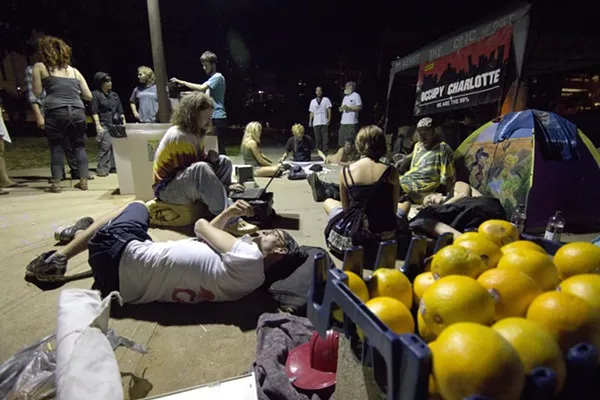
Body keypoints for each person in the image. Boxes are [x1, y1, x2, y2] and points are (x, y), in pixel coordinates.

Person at [25, 199, 300, 304]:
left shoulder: (249, 256)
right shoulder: (250, 280)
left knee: (137, 205)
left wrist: (222, 217)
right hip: (117, 285)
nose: (261, 232)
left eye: (269, 234)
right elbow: (204, 240)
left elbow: (201, 226)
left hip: (115, 251)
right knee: (136, 231)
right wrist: (228, 213)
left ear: (280, 249)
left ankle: (60, 257)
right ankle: (83, 231)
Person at [152, 92, 255, 236]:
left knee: (224, 161)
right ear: (192, 115)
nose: (209, 122)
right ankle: (228, 219)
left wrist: (210, 158)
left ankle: (220, 201)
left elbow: (195, 165)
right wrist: (213, 171)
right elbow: (192, 170)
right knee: (202, 168)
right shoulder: (178, 135)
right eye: (206, 118)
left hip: (184, 180)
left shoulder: (194, 134)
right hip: (167, 189)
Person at [322, 125, 405, 262]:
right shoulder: (391, 171)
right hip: (385, 232)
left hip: (357, 232)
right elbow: (393, 209)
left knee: (328, 203)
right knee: (404, 206)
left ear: (359, 145)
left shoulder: (346, 171)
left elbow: (346, 209)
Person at [32, 35, 93, 193]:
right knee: (79, 145)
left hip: (55, 111)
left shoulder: (40, 67)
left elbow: (37, 92)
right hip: (77, 111)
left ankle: (57, 183)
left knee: (56, 147)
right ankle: (84, 181)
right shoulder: (74, 71)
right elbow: (88, 96)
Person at [170, 51, 227, 154]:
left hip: (217, 117)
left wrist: (182, 82)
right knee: (212, 148)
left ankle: (224, 168)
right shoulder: (212, 81)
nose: (204, 68)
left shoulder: (217, 77)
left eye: (206, 65)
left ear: (213, 64)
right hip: (213, 117)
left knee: (218, 148)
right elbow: (203, 95)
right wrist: (185, 94)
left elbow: (201, 88)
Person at [397, 117, 456, 203]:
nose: (423, 138)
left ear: (435, 132)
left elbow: (449, 178)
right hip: (404, 182)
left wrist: (449, 200)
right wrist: (402, 161)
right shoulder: (418, 145)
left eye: (426, 134)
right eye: (420, 134)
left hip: (419, 190)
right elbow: (412, 157)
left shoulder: (442, 148)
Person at [92, 72, 125, 177]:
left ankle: (114, 167)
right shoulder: (96, 94)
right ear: (100, 83)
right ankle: (102, 168)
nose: (110, 83)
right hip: (104, 123)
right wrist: (98, 125)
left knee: (115, 146)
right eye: (107, 81)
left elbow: (120, 111)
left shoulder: (114, 95)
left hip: (115, 123)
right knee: (105, 146)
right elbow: (94, 111)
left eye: (110, 81)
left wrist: (124, 123)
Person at [338, 82, 362, 146]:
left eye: (349, 86)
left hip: (352, 122)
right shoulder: (345, 97)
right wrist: (341, 109)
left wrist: (350, 108)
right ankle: (343, 154)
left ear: (353, 87)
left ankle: (353, 154)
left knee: (351, 140)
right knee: (342, 140)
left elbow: (359, 107)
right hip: (343, 122)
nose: (347, 87)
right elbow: (343, 107)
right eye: (346, 86)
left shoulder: (356, 95)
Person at [309, 86, 332, 153]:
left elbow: (329, 110)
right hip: (316, 122)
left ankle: (325, 152)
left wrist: (329, 119)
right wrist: (310, 121)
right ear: (315, 92)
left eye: (320, 90)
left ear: (321, 92)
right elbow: (311, 112)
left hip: (324, 122)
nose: (319, 92)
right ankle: (319, 152)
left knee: (325, 139)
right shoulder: (313, 101)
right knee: (318, 139)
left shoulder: (326, 99)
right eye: (317, 91)